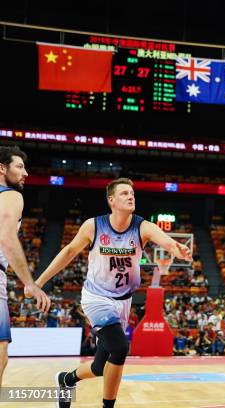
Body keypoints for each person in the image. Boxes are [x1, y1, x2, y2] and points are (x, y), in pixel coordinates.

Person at [35, 177, 192, 408]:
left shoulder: (142, 227)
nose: (131, 197)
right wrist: (38, 282)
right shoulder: (93, 226)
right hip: (96, 297)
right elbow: (68, 252)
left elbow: (166, 242)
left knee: (100, 366)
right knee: (120, 348)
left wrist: (176, 249)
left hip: (123, 301)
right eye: (124, 193)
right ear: (111, 200)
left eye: (132, 193)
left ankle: (66, 379)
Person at [0, 145, 50, 387]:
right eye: (19, 167)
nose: (26, 173)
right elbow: (7, 238)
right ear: (2, 168)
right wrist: (30, 283)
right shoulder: (11, 195)